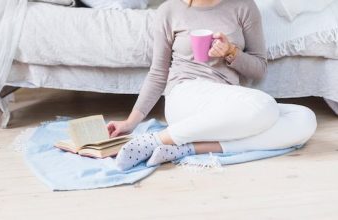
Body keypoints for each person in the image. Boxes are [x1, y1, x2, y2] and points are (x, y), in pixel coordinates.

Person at [106, 0, 317, 171]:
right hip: (185, 94)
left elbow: (259, 69)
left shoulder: (244, 6)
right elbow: (158, 73)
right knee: (265, 105)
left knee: (304, 118)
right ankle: (154, 140)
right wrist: (131, 122)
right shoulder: (169, 10)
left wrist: (231, 52)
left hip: (228, 99)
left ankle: (189, 148)